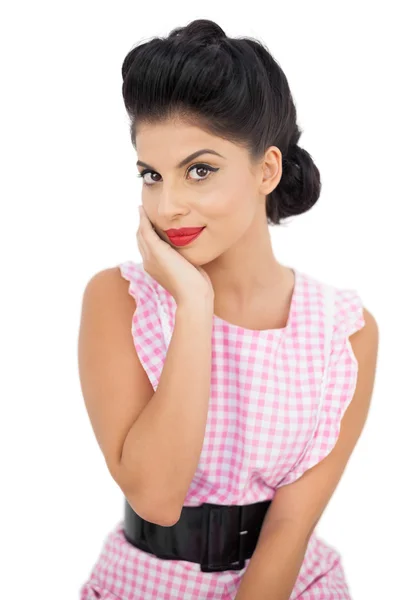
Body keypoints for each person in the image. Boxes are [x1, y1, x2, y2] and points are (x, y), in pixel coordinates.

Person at [77, 18, 379, 600]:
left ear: (266, 170)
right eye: (151, 175)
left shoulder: (344, 332)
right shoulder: (121, 301)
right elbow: (156, 496)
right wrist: (193, 306)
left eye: (200, 170)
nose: (168, 205)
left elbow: (290, 529)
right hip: (141, 584)